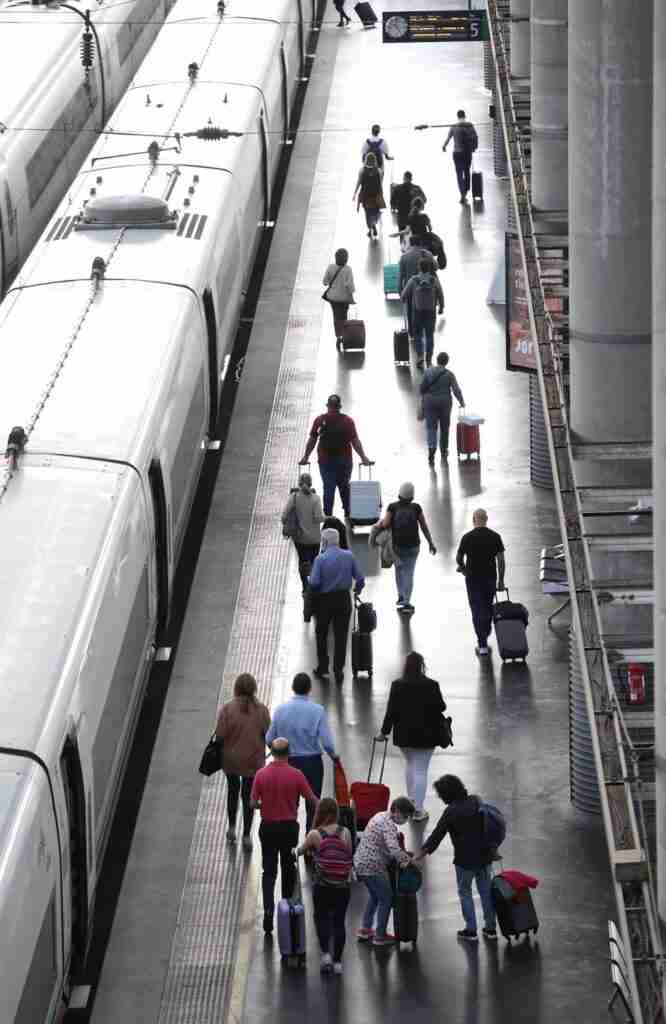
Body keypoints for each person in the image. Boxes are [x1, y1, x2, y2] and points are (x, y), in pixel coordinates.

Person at [414, 774, 497, 942]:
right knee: (486, 892)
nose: (439, 797)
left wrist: (419, 855)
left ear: (447, 794)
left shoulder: (451, 812)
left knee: (465, 892)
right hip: (484, 857)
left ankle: (471, 930)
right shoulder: (476, 800)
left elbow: (436, 836)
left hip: (464, 861)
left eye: (440, 794)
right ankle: (491, 928)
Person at [250, 738, 318, 934]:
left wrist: (265, 804)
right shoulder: (296, 775)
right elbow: (312, 799)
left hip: (268, 828)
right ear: (289, 753)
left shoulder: (261, 774)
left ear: (272, 752)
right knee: (288, 869)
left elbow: (252, 803)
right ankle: (287, 909)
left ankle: (269, 912)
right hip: (289, 829)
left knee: (268, 871)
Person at [266, 672, 339, 832]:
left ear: (293, 688)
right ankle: (310, 842)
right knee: (313, 805)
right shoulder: (317, 711)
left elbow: (269, 738)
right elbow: (326, 742)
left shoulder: (280, 710)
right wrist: (334, 756)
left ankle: (289, 842)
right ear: (309, 689)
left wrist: (280, 751)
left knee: (289, 804)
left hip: (288, 762)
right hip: (312, 764)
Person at [380, 653, 447, 821]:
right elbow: (441, 706)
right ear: (422, 665)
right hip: (427, 736)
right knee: (420, 770)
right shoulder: (432, 685)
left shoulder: (397, 685)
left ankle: (411, 803)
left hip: (404, 737)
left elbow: (391, 712)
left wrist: (384, 732)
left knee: (410, 765)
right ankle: (417, 809)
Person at [295, 798, 353, 974]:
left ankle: (326, 954)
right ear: (336, 813)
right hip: (343, 885)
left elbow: (299, 851)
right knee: (339, 922)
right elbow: (349, 854)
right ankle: (337, 963)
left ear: (319, 813)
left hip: (323, 885)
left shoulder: (314, 834)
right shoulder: (345, 832)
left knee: (321, 918)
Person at [215, 673, 271, 851]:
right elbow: (268, 735)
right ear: (254, 689)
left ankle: (231, 829)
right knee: (249, 796)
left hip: (231, 760)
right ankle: (247, 836)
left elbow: (220, 735)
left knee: (232, 790)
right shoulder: (262, 710)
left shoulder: (227, 709)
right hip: (252, 761)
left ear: (236, 689)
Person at [354, 797, 415, 946]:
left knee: (375, 896)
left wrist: (402, 855)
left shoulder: (379, 815)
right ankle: (380, 936)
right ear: (396, 811)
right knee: (386, 898)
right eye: (405, 816)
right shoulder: (388, 825)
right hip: (373, 866)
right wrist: (408, 862)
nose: (406, 820)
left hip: (360, 863)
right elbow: (394, 849)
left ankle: (365, 929)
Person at [299, 394, 373, 517]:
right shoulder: (348, 421)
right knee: (344, 486)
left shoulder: (320, 420)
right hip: (344, 460)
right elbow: (355, 441)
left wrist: (306, 456)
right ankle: (348, 513)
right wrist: (363, 457)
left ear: (328, 406)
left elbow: (312, 440)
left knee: (328, 488)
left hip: (325, 460)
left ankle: (328, 515)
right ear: (339, 407)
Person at [309, 528, 364, 684]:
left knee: (321, 634)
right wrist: (357, 589)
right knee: (341, 636)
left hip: (324, 601)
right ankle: (338, 669)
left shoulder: (320, 559)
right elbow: (360, 578)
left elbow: (314, 582)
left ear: (324, 542)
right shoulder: (348, 556)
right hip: (343, 600)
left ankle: (323, 667)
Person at [374, 482, 436, 613]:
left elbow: (385, 524)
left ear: (399, 494)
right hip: (414, 546)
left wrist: (377, 528)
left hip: (397, 546)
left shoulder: (393, 507)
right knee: (409, 572)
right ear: (412, 496)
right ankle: (407, 601)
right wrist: (431, 542)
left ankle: (401, 595)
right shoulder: (416, 508)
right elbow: (424, 526)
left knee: (399, 569)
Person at [456, 509, 506, 656]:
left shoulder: (467, 538)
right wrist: (501, 580)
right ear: (486, 519)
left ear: (473, 520)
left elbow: (459, 558)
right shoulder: (495, 537)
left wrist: (464, 570)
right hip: (490, 578)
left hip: (472, 579)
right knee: (488, 606)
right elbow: (501, 561)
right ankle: (486, 630)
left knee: (476, 609)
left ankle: (482, 643)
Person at [420, 352, 465, 464]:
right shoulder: (449, 374)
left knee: (431, 427)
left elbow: (421, 388)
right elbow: (456, 390)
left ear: (437, 360)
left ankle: (431, 451)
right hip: (445, 403)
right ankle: (444, 450)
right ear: (446, 362)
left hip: (430, 402)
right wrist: (462, 402)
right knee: (445, 427)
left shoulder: (428, 372)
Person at [282, 472, 324, 590]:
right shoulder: (316, 498)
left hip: (299, 538)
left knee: (302, 561)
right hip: (315, 538)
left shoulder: (294, 497)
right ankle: (315, 585)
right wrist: (327, 517)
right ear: (310, 484)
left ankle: (305, 587)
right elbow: (319, 518)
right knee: (314, 561)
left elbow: (284, 516)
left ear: (299, 484)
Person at [400, 257, 444, 369]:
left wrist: (404, 298)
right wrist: (441, 306)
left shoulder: (414, 280)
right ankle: (429, 360)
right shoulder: (434, 280)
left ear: (419, 267)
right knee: (429, 336)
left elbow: (404, 295)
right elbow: (440, 293)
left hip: (417, 311)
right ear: (429, 268)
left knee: (417, 335)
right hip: (431, 311)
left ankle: (420, 357)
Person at [398, 241, 436, 340]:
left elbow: (401, 275)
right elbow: (436, 267)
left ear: (410, 243)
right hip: (428, 289)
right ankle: (425, 331)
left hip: (410, 287)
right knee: (427, 309)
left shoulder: (404, 257)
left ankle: (412, 333)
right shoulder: (427, 254)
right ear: (420, 243)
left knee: (411, 310)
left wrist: (400, 290)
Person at [442, 109, 479, 203]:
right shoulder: (470, 126)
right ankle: (466, 191)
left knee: (459, 174)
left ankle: (462, 193)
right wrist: (474, 147)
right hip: (467, 153)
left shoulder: (454, 126)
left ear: (457, 116)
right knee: (467, 172)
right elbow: (475, 137)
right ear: (464, 116)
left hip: (457, 153)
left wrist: (444, 146)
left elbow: (448, 138)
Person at [322, 248, 355, 344]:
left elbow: (325, 282)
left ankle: (338, 335)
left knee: (336, 316)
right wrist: (351, 296)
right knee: (344, 316)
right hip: (344, 298)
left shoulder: (330, 267)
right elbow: (350, 286)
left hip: (333, 298)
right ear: (346, 259)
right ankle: (344, 334)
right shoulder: (348, 269)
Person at [353, 152, 386, 239]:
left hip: (366, 196)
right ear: (375, 160)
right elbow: (380, 183)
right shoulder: (379, 171)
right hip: (376, 195)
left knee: (367, 213)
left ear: (366, 160)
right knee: (375, 212)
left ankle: (371, 227)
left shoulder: (362, 170)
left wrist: (355, 193)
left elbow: (359, 182)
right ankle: (374, 223)